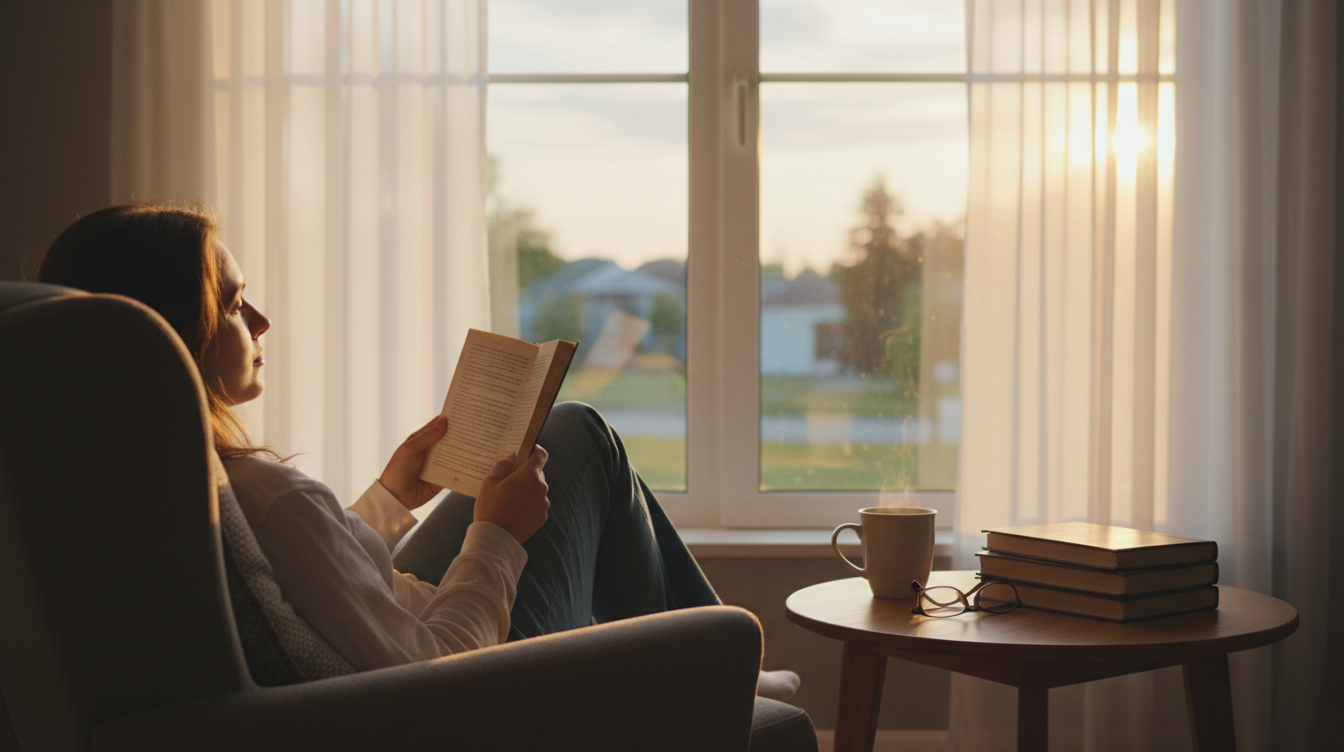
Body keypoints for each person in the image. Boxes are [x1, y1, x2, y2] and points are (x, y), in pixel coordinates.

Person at [38, 201, 800, 699]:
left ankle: (723, 672)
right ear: (176, 330)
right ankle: (722, 672)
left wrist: (389, 499)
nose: (262, 321)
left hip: (396, 643)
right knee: (577, 437)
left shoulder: (131, 480)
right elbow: (435, 670)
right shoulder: (269, 496)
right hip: (468, 692)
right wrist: (497, 536)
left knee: (560, 436)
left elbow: (303, 578)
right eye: (236, 304)